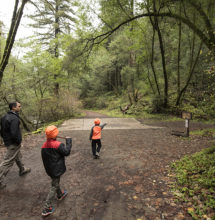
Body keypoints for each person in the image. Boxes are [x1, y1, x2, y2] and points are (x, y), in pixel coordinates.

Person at [41, 125, 72, 217]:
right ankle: (46, 208)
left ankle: (60, 194)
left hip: (49, 169)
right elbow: (67, 152)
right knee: (54, 186)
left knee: (55, 182)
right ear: (55, 134)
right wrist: (69, 142)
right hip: (56, 169)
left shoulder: (44, 146)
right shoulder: (58, 145)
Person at [0, 101, 31, 190]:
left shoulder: (4, 117)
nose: (20, 107)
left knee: (17, 155)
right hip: (13, 143)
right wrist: (18, 141)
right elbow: (14, 133)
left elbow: (1, 131)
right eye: (19, 106)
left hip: (8, 142)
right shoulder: (14, 118)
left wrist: (6, 140)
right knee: (7, 161)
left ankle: (22, 169)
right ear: (14, 107)